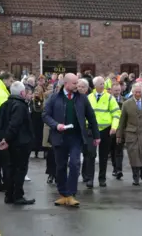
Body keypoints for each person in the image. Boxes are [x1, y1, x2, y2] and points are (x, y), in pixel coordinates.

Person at [43, 73, 100, 207]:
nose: (77, 86)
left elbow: (91, 117)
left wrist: (96, 136)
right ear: (66, 84)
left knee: (74, 164)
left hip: (76, 137)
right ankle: (63, 194)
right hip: (59, 136)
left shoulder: (82, 99)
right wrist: (56, 125)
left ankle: (71, 194)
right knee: (60, 166)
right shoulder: (54, 98)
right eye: (74, 83)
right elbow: (45, 115)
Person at [0, 81, 36, 205]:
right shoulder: (20, 106)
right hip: (19, 143)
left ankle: (9, 195)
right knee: (20, 169)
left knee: (10, 168)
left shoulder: (4, 105)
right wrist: (7, 139)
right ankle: (17, 195)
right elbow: (15, 124)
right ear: (22, 92)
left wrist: (3, 138)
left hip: (9, 143)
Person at [85, 76, 121, 188]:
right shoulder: (89, 97)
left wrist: (114, 127)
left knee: (103, 156)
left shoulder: (110, 98)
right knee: (90, 154)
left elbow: (116, 113)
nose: (103, 86)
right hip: (91, 129)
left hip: (105, 130)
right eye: (100, 84)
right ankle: (90, 179)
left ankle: (102, 179)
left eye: (103, 84)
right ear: (95, 85)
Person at [116, 82, 142, 186]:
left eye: (139, 92)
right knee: (134, 156)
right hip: (131, 134)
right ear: (132, 92)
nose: (138, 94)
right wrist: (119, 135)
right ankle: (135, 176)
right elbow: (122, 120)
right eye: (136, 92)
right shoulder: (126, 104)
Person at [110, 83, 125, 179]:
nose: (117, 92)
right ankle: (115, 167)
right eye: (115, 90)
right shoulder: (108, 100)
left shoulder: (125, 101)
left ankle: (119, 169)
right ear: (111, 90)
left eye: (119, 90)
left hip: (121, 128)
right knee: (112, 150)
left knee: (119, 149)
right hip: (111, 128)